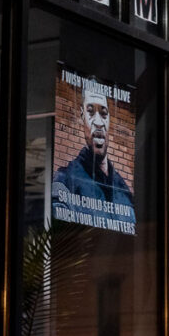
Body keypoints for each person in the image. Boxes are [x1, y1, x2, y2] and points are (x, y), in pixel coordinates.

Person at [52, 89, 135, 230]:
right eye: (91, 112)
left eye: (103, 114)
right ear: (82, 117)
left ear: (109, 121)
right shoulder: (64, 182)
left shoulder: (124, 193)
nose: (98, 122)